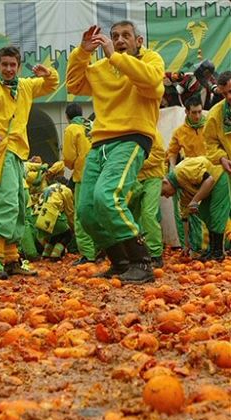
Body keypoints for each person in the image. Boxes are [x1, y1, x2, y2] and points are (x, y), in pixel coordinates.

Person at [66, 21, 164, 283]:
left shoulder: (150, 60)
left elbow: (153, 81)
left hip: (132, 138)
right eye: (115, 36)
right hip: (99, 143)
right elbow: (74, 85)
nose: (120, 40)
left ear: (138, 41)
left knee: (107, 196)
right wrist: (82, 53)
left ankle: (142, 262)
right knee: (86, 210)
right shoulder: (101, 68)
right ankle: (120, 263)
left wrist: (115, 57)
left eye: (126, 36)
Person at [0, 46, 59, 280]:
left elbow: (50, 86)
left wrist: (49, 73)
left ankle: (11, 259)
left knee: (18, 202)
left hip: (17, 153)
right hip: (0, 153)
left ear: (17, 66)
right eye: (4, 64)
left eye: (12, 65)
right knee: (5, 202)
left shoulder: (24, 86)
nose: (8, 69)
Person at [161, 156, 230, 261]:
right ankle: (212, 250)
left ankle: (218, 252)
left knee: (216, 213)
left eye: (164, 192)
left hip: (218, 177)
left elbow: (209, 180)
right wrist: (186, 245)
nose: (166, 196)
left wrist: (195, 200)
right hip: (209, 189)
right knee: (204, 213)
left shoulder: (181, 171)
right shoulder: (182, 190)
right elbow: (185, 217)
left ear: (165, 182)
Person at [167, 95, 208, 255]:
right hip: (190, 176)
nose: (197, 116)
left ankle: (214, 247)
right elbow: (172, 151)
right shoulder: (180, 132)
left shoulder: (210, 124)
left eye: (199, 112)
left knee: (214, 210)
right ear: (186, 112)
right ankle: (191, 246)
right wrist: (172, 168)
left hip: (210, 173)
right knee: (187, 212)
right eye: (193, 113)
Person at [63, 102, 97, 265]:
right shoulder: (92, 125)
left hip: (83, 176)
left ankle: (88, 254)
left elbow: (69, 157)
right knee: (97, 213)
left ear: (67, 117)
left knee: (81, 216)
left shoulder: (71, 129)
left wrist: (71, 166)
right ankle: (101, 249)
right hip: (99, 173)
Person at [129, 129, 166, 268]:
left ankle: (156, 254)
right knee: (132, 216)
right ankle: (136, 252)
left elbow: (159, 155)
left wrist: (136, 163)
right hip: (136, 179)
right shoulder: (129, 134)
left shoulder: (152, 132)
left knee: (149, 214)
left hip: (152, 177)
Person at [34, 176, 74, 260]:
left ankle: (46, 254)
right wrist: (73, 226)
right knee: (67, 234)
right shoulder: (65, 189)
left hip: (38, 217)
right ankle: (56, 255)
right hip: (51, 215)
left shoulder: (47, 188)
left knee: (55, 235)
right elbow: (70, 211)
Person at [204, 71, 231, 177]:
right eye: (224, 93)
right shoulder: (214, 115)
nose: (229, 97)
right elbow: (210, 144)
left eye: (230, 91)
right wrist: (222, 158)